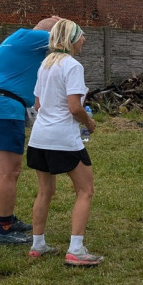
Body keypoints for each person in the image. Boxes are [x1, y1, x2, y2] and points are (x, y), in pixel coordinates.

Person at [26, 19, 103, 266]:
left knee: (45, 190)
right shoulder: (73, 66)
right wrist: (88, 122)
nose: (84, 40)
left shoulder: (44, 65)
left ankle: (37, 245)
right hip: (63, 140)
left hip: (39, 138)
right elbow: (74, 107)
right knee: (85, 190)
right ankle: (76, 250)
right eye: (81, 36)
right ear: (71, 40)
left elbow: (38, 105)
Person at [0, 15, 61, 245]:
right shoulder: (38, 37)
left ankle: (8, 219)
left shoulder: (14, 39)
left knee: (0, 171)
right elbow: (67, 40)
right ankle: (4, 230)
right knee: (10, 172)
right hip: (6, 109)